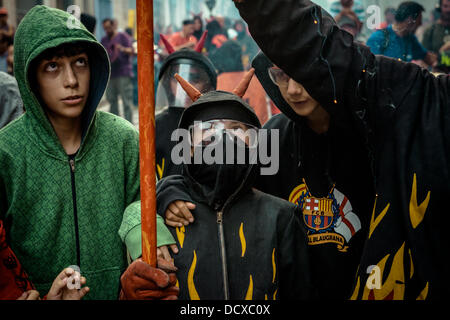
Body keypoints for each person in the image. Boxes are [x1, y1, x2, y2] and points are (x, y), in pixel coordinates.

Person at [233, 0, 450, 299]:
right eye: (281, 75)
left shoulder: (379, 126)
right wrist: (173, 192)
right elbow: (226, 191)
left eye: (304, 74)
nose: (294, 89)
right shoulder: (273, 136)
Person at [0, 6, 173, 300]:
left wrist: (144, 227)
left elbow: (143, 204)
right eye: (52, 66)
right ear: (31, 77)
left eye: (80, 62)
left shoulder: (123, 139)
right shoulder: (7, 152)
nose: (71, 80)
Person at [120, 73, 313, 300]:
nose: (222, 138)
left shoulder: (282, 217)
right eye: (207, 129)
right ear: (187, 147)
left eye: (237, 129)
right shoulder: (159, 219)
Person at [155, 34, 217, 179]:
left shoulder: (218, 125)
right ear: (167, 84)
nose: (185, 87)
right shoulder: (155, 126)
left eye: (194, 79)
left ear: (208, 84)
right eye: (177, 80)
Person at [214, 40, 271, 125]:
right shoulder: (254, 80)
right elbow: (262, 113)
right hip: (256, 133)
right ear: (240, 57)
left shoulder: (217, 82)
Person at [366, 1, 437, 67]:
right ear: (410, 20)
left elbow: (429, 58)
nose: (420, 24)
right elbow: (370, 68)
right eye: (419, 20)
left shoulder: (410, 39)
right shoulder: (378, 38)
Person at [101, 18, 135, 123]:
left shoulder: (122, 36)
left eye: (108, 27)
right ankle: (115, 126)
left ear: (113, 25)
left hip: (123, 73)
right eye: (105, 28)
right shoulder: (104, 40)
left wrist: (121, 49)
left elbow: (131, 51)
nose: (107, 30)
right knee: (112, 101)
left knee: (126, 101)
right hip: (111, 75)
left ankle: (129, 126)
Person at [422, 0, 450, 73]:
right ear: (439, 7)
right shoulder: (431, 30)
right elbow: (423, 56)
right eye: (445, 6)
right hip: (437, 75)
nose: (448, 10)